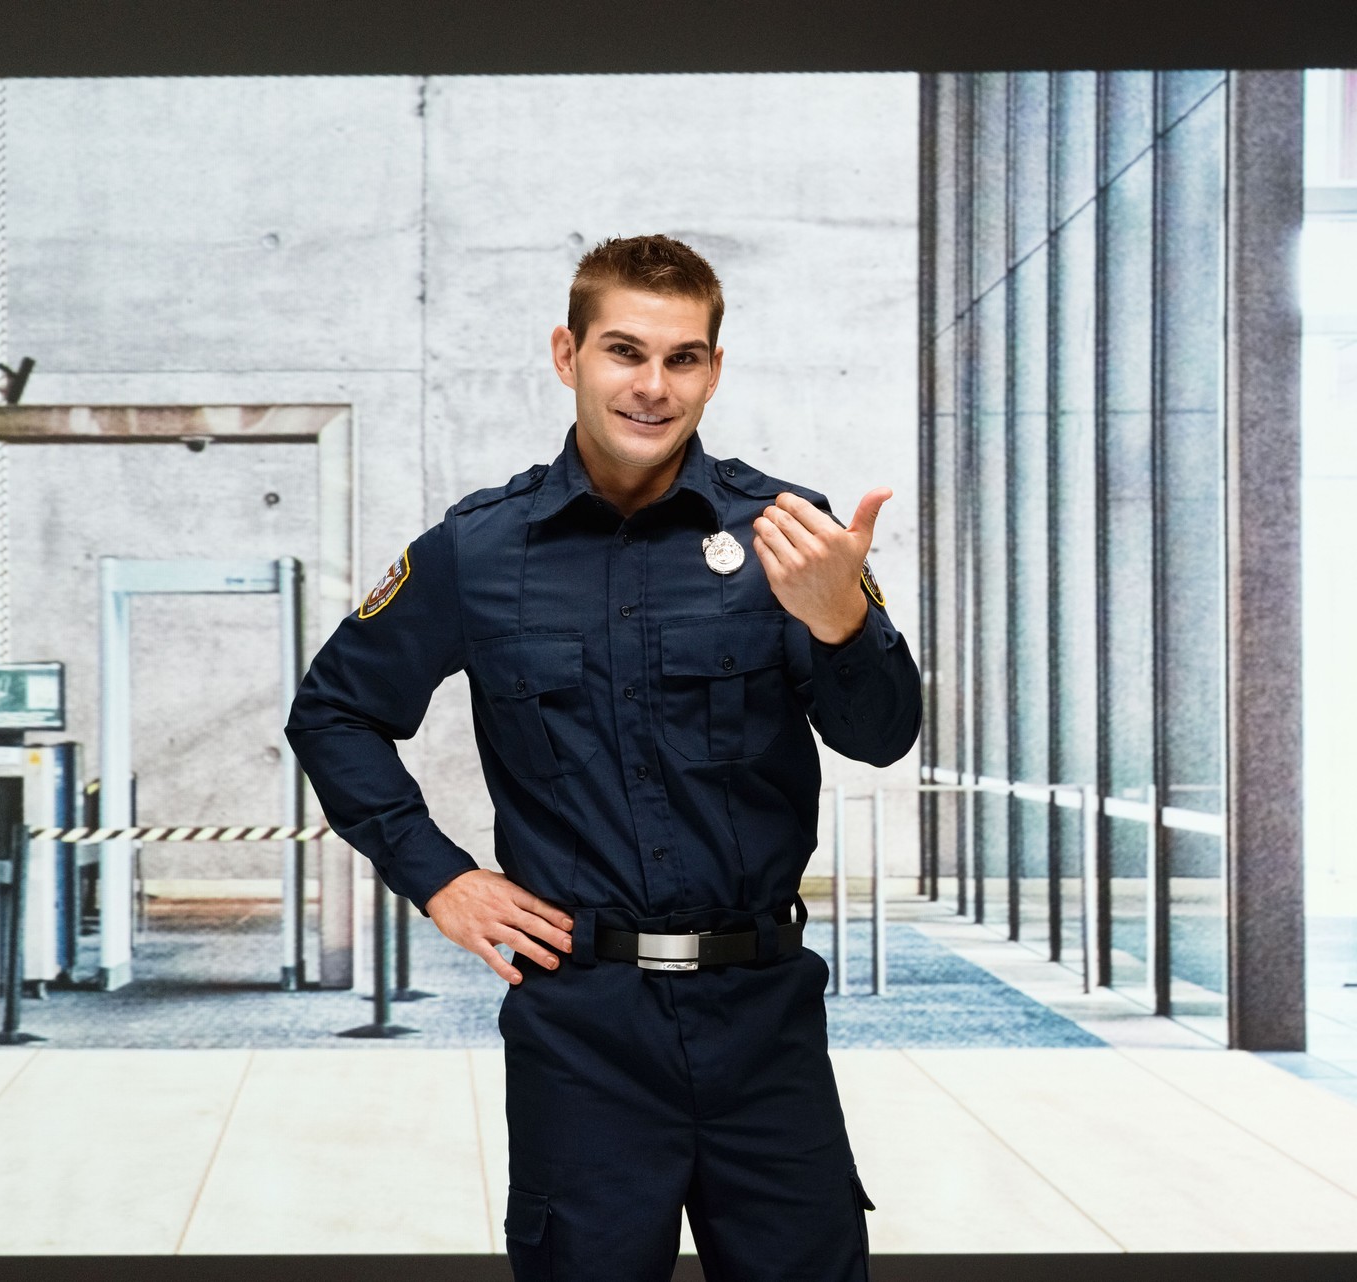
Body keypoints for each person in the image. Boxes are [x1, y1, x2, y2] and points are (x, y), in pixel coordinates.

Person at [285, 234, 921, 1281]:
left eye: (683, 358)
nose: (652, 385)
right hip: (581, 1027)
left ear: (713, 368)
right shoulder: (476, 552)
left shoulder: (788, 535)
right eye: (625, 350)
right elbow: (334, 712)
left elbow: (882, 734)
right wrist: (437, 877)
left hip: (764, 1022)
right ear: (566, 353)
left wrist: (845, 623)